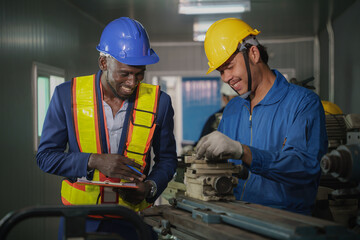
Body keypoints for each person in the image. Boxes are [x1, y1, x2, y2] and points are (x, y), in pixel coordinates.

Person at [36, 17, 177, 239]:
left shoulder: (160, 102)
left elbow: (167, 159)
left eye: (139, 73)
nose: (133, 82)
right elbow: (45, 157)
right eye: (125, 73)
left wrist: (150, 187)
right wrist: (93, 161)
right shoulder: (67, 95)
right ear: (104, 63)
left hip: (134, 222)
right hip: (80, 222)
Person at [196, 18, 328, 215]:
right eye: (220, 71)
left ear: (254, 54)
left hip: (286, 221)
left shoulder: (303, 103)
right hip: (235, 219)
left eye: (230, 66)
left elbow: (304, 168)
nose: (225, 78)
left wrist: (243, 152)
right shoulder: (232, 109)